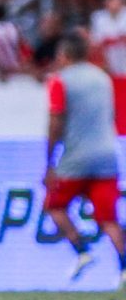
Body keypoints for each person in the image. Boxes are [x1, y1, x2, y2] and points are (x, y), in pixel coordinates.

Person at [43, 32, 126, 285]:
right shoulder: (103, 78)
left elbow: (56, 121)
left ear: (64, 55)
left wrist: (49, 162)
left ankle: (82, 252)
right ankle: (124, 268)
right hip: (106, 156)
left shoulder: (60, 81)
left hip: (76, 158)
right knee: (108, 218)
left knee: (54, 206)